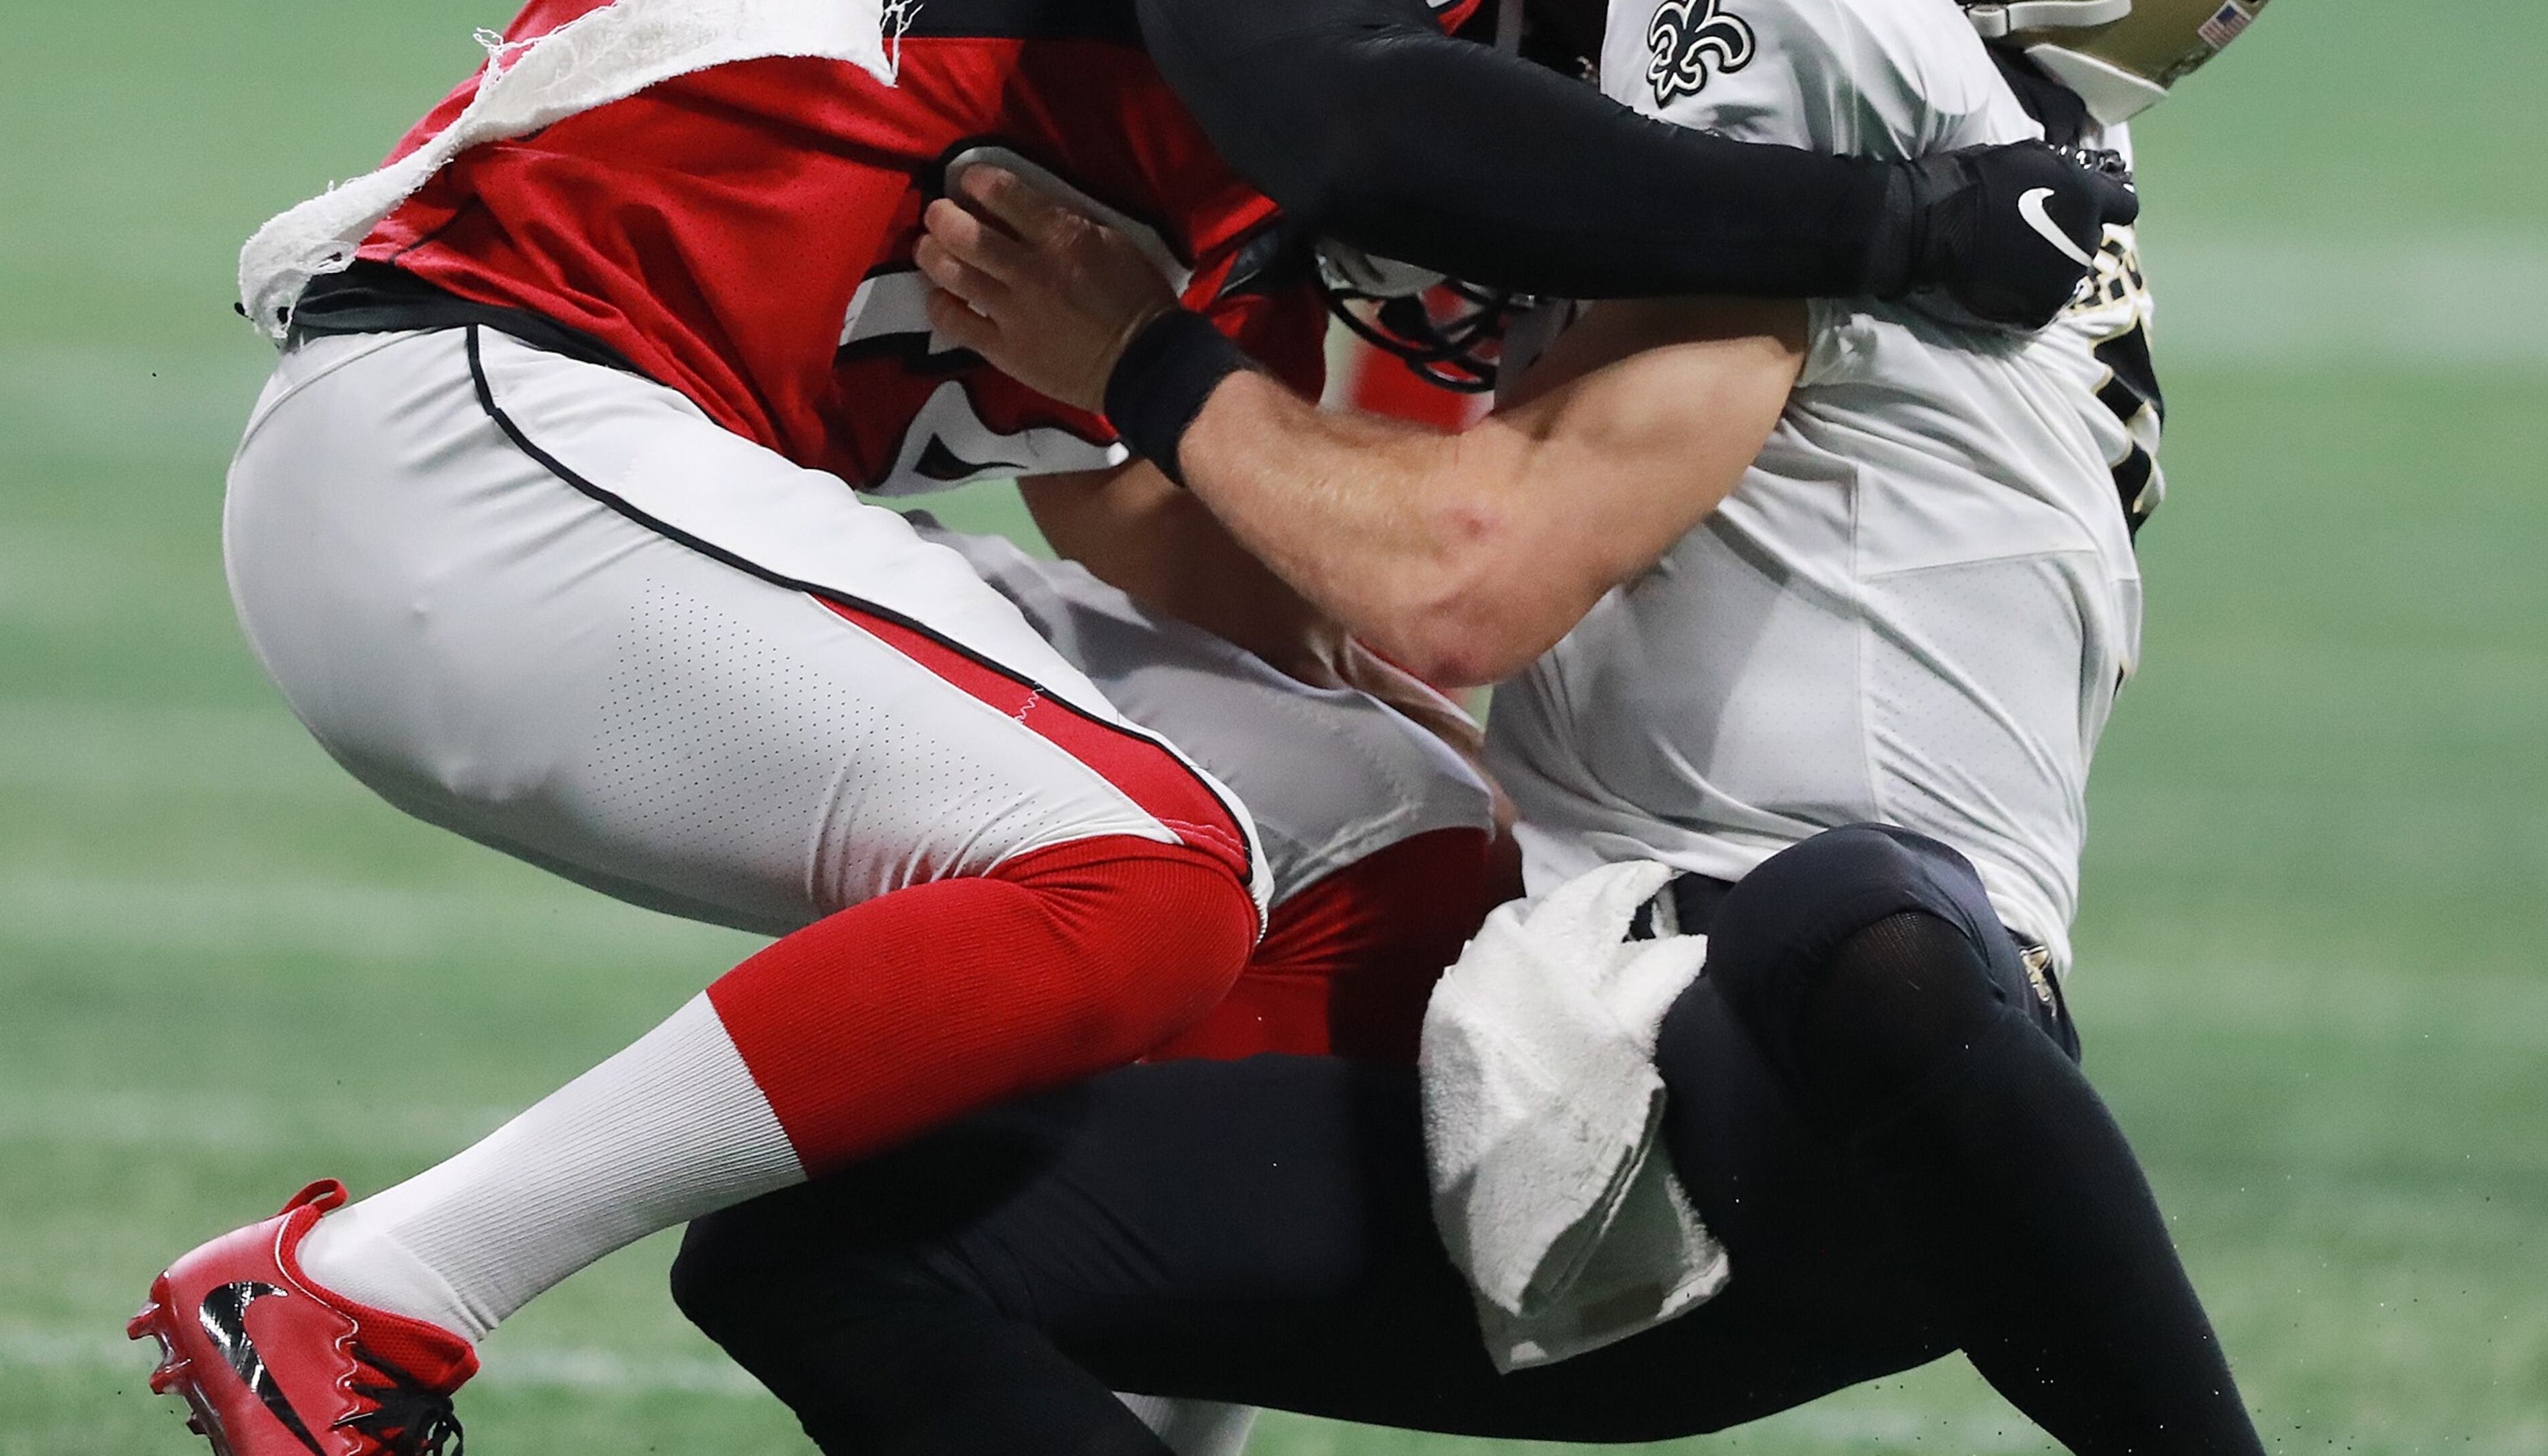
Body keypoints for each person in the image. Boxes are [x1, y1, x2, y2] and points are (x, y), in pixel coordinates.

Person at [127, 0, 2134, 1446]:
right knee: (1137, 869)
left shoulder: (1268, 129)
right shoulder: (1335, 79)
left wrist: (1229, 418)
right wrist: (1895, 230)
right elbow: (1354, 118)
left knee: (1404, 845)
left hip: (606, 464)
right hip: (475, 417)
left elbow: (1226, 557)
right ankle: (366, 1289)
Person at [669, 0, 2275, 1449]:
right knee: (813, 1257)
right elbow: (1278, 596)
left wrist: (1149, 357)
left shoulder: (1840, 45)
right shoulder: (1979, 152)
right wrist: (1047, 352)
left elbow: (1457, 588)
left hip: (1846, 1100)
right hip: (1572, 1097)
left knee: (1838, 911)